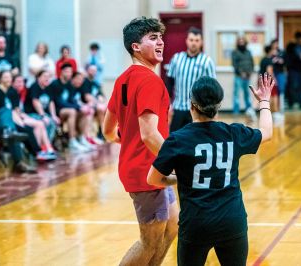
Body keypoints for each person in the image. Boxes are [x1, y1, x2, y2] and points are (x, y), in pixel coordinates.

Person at [147, 74, 274, 266]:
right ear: (219, 106)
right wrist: (264, 101)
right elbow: (267, 132)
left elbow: (153, 179)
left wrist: (180, 178)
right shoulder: (234, 133)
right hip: (232, 221)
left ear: (191, 105)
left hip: (196, 224)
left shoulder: (177, 140)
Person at [102, 17, 178, 265]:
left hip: (147, 168)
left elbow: (107, 130)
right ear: (136, 46)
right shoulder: (149, 80)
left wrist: (128, 142)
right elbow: (149, 134)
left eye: (161, 37)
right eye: (153, 38)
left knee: (173, 226)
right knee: (150, 243)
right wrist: (176, 161)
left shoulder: (123, 79)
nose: (161, 42)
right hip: (147, 174)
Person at [166, 27, 216, 132]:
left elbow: (211, 88)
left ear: (201, 42)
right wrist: (168, 104)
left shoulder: (206, 61)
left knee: (195, 142)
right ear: (187, 41)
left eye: (197, 40)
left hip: (198, 110)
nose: (194, 43)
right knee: (175, 141)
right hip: (178, 108)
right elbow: (170, 82)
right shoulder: (176, 58)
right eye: (191, 40)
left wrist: (211, 110)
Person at [49, 64, 92, 152]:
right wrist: (77, 107)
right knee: (72, 111)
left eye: (71, 72)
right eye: (67, 72)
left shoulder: (69, 85)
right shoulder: (55, 84)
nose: (69, 74)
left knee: (84, 111)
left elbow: (72, 100)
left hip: (67, 109)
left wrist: (81, 107)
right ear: (62, 72)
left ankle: (82, 138)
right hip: (58, 111)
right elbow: (59, 102)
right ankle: (72, 142)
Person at [24, 70, 59, 142]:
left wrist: (53, 115)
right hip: (31, 114)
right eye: (45, 77)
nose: (47, 79)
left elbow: (51, 102)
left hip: (44, 114)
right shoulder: (35, 86)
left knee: (53, 122)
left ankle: (48, 144)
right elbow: (35, 102)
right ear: (38, 78)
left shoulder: (49, 87)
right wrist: (43, 115)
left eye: (49, 77)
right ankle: (41, 146)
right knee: (45, 122)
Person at [231, 36, 256, 120]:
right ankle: (236, 112)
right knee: (236, 95)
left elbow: (252, 63)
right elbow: (234, 64)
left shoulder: (248, 52)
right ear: (237, 43)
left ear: (245, 42)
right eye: (239, 41)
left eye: (243, 41)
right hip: (238, 77)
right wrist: (241, 73)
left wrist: (250, 72)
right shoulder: (235, 52)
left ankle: (249, 111)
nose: (241, 43)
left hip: (247, 77)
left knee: (247, 94)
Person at [83, 64, 107, 141]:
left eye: (95, 71)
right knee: (101, 108)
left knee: (107, 109)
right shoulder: (85, 82)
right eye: (91, 70)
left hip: (97, 104)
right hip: (89, 105)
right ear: (87, 71)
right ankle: (102, 132)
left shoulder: (96, 83)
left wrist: (102, 100)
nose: (93, 72)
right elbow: (87, 97)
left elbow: (102, 95)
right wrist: (97, 102)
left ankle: (102, 131)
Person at [286, 31, 301, 110]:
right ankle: (291, 103)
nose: (299, 40)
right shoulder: (291, 46)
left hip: (300, 69)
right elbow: (288, 56)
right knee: (292, 86)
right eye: (298, 38)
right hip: (292, 69)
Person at [271, 39, 287, 113]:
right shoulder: (270, 52)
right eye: (274, 44)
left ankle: (281, 106)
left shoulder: (281, 52)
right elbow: (269, 61)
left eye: (277, 44)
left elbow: (284, 61)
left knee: (281, 89)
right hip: (273, 73)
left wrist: (280, 60)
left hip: (280, 72)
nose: (276, 45)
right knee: (274, 91)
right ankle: (274, 107)